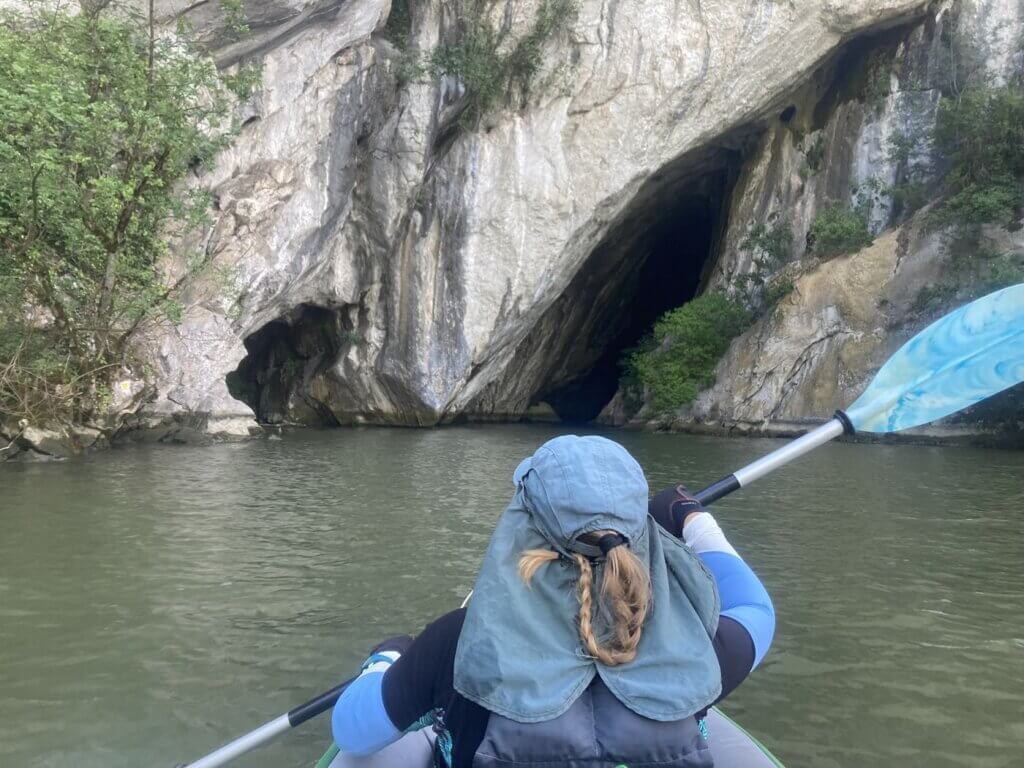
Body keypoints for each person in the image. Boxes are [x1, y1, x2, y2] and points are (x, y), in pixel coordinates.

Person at [329, 435, 775, 768]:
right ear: (641, 534)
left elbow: (351, 730)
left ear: (521, 527)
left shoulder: (458, 645)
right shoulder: (698, 642)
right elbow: (756, 611)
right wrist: (689, 516)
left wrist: (388, 657)